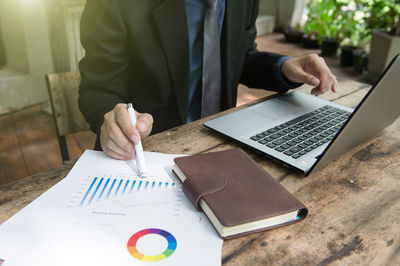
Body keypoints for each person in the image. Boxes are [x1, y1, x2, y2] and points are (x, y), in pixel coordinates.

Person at [79, 0, 338, 160]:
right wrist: (111, 119)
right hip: (145, 153)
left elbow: (240, 56)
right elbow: (98, 88)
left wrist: (283, 67)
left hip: (218, 147)